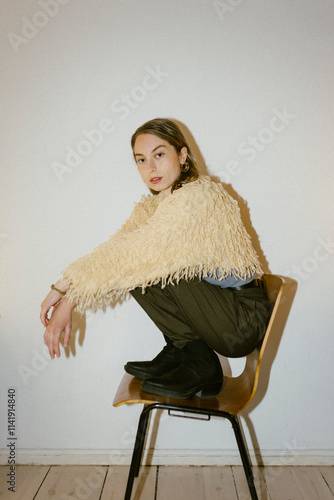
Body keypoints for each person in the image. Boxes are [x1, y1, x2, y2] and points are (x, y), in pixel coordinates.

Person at [40, 118, 271, 400]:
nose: (150, 168)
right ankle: (183, 351)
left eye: (159, 154)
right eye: (141, 159)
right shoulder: (154, 206)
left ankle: (199, 363)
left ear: (182, 155)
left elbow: (138, 250)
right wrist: (64, 286)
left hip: (241, 319)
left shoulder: (199, 196)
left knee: (147, 261)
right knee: (136, 266)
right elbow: (118, 248)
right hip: (218, 312)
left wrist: (69, 296)